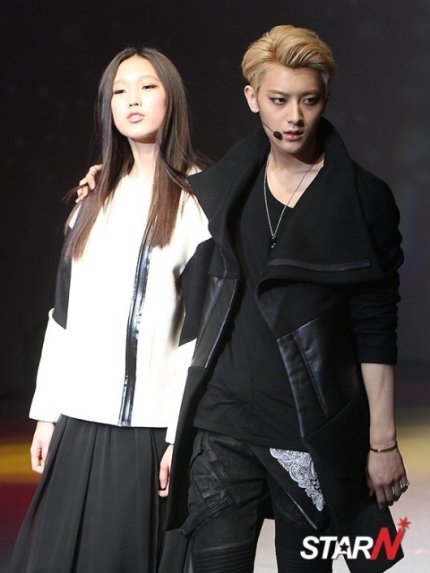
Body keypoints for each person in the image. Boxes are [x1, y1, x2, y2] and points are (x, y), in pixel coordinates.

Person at [162, 24, 408, 573]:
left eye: (309, 100)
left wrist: (382, 443)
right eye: (278, 100)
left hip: (307, 432)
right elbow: (158, 191)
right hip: (222, 426)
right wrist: (102, 179)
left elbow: (375, 325)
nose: (294, 116)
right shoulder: (226, 184)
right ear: (252, 98)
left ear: (325, 98)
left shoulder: (362, 199)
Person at [10, 46, 209, 573]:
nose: (132, 100)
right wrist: (47, 413)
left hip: (148, 431)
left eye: (147, 87)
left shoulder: (198, 201)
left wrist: (180, 435)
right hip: (79, 421)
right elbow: (64, 314)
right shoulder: (93, 198)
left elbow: (199, 333)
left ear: (172, 98)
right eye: (119, 91)